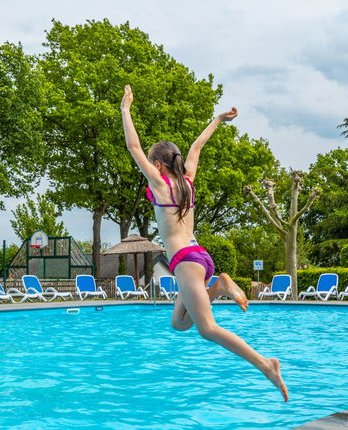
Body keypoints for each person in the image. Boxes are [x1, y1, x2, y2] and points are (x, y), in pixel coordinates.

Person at [120, 85, 288, 402]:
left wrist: (126, 109)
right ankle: (219, 284)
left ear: (157, 165)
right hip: (199, 258)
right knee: (179, 323)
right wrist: (218, 119)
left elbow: (133, 146)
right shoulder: (188, 180)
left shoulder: (160, 183)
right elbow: (196, 147)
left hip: (184, 261)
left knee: (207, 329)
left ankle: (265, 364)